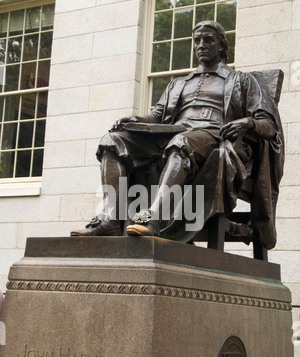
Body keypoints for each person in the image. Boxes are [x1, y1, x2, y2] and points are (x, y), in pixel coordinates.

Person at [71, 20, 284, 250]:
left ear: (221, 46)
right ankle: (110, 220)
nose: (201, 45)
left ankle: (155, 218)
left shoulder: (241, 81)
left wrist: (248, 122)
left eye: (208, 40)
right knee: (112, 140)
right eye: (197, 40)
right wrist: (136, 120)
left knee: (182, 142)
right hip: (172, 133)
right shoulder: (179, 83)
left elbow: (269, 125)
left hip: (213, 135)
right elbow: (157, 117)